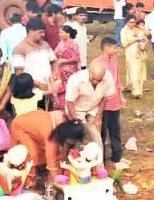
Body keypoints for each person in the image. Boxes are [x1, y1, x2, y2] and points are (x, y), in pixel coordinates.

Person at [64, 62, 115, 150]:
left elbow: (105, 97)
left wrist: (99, 116)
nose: (95, 82)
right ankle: (71, 155)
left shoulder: (108, 77)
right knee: (74, 138)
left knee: (96, 138)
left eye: (99, 80)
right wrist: (74, 121)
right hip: (76, 110)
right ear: (89, 71)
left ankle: (99, 157)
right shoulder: (76, 80)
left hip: (93, 109)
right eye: (93, 79)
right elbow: (70, 102)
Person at [10, 108, 67, 185]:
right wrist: (57, 182)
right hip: (19, 127)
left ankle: (48, 178)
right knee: (32, 154)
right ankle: (27, 181)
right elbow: (51, 159)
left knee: (51, 152)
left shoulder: (58, 123)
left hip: (32, 130)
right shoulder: (50, 132)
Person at [90, 37, 124, 166]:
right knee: (102, 131)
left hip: (114, 101)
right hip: (102, 103)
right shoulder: (97, 63)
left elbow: (117, 80)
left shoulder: (114, 61)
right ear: (107, 48)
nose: (116, 50)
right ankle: (101, 158)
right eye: (114, 48)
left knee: (115, 129)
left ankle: (117, 155)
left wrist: (121, 96)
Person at [13, 19, 57, 108]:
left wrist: (54, 74)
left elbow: (54, 61)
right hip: (33, 91)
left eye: (43, 32)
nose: (43, 35)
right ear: (30, 31)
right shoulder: (20, 48)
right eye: (40, 32)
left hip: (49, 88)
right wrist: (38, 84)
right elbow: (19, 73)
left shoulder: (45, 44)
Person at [120, 15, 149, 97]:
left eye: (134, 22)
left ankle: (139, 89)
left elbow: (144, 39)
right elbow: (124, 43)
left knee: (140, 71)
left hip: (139, 52)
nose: (132, 24)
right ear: (126, 22)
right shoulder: (124, 31)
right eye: (131, 22)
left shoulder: (137, 29)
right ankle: (136, 91)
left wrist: (143, 44)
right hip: (130, 53)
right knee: (133, 71)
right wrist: (135, 39)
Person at [54, 25, 81, 109]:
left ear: (68, 34)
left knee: (69, 89)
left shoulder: (72, 44)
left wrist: (63, 61)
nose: (59, 34)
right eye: (59, 33)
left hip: (70, 72)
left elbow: (76, 58)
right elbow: (55, 53)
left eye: (62, 33)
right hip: (60, 71)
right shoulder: (61, 43)